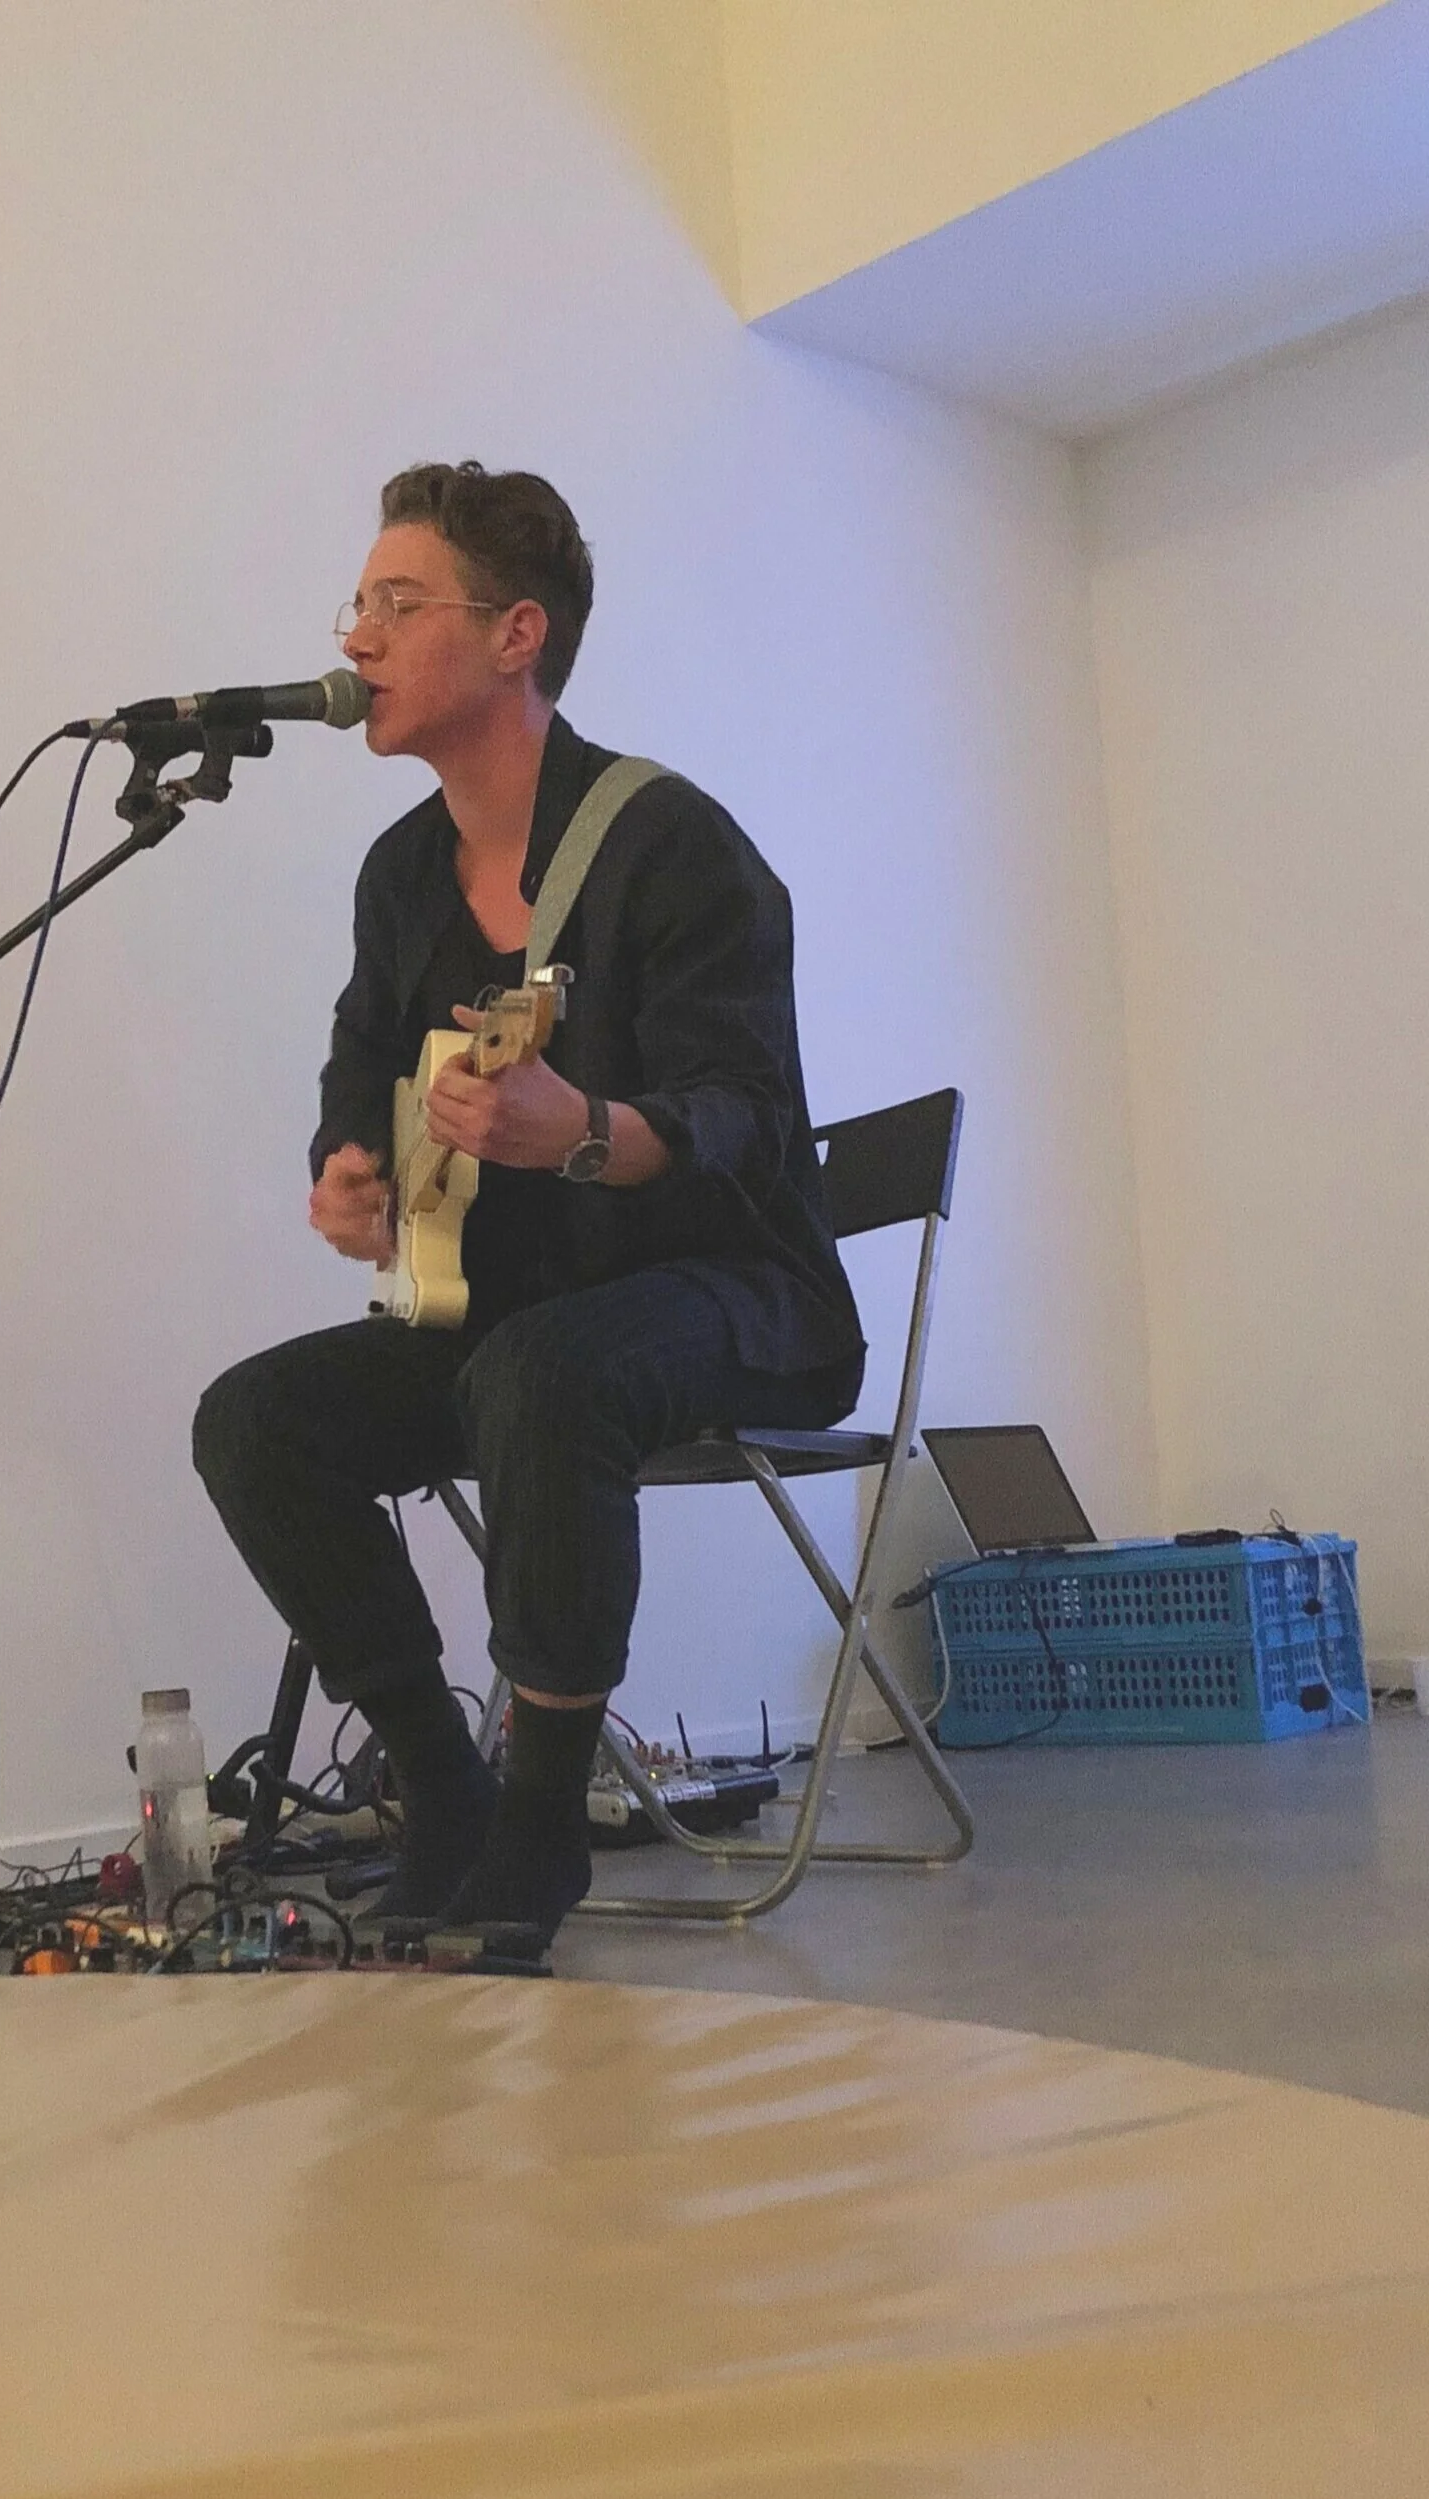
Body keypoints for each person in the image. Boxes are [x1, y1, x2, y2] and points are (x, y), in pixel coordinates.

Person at [192, 462, 862, 1948]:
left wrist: (588, 1133)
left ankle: (545, 1817)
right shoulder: (400, 874)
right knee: (254, 1420)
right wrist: (348, 1168)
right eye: (356, 602)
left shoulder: (673, 843)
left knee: (543, 1374)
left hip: (738, 1293)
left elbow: (749, 1115)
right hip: (515, 1311)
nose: (355, 636)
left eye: (397, 601)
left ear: (516, 634)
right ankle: (445, 1782)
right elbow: (362, 1061)